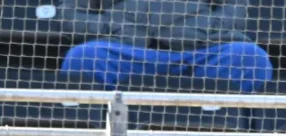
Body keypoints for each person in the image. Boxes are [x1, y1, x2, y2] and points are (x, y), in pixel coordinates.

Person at [58, 0, 272, 94]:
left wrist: (203, 28)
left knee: (251, 58)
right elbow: (68, 14)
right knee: (83, 56)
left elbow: (237, 12)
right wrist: (113, 26)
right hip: (128, 51)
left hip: (198, 51)